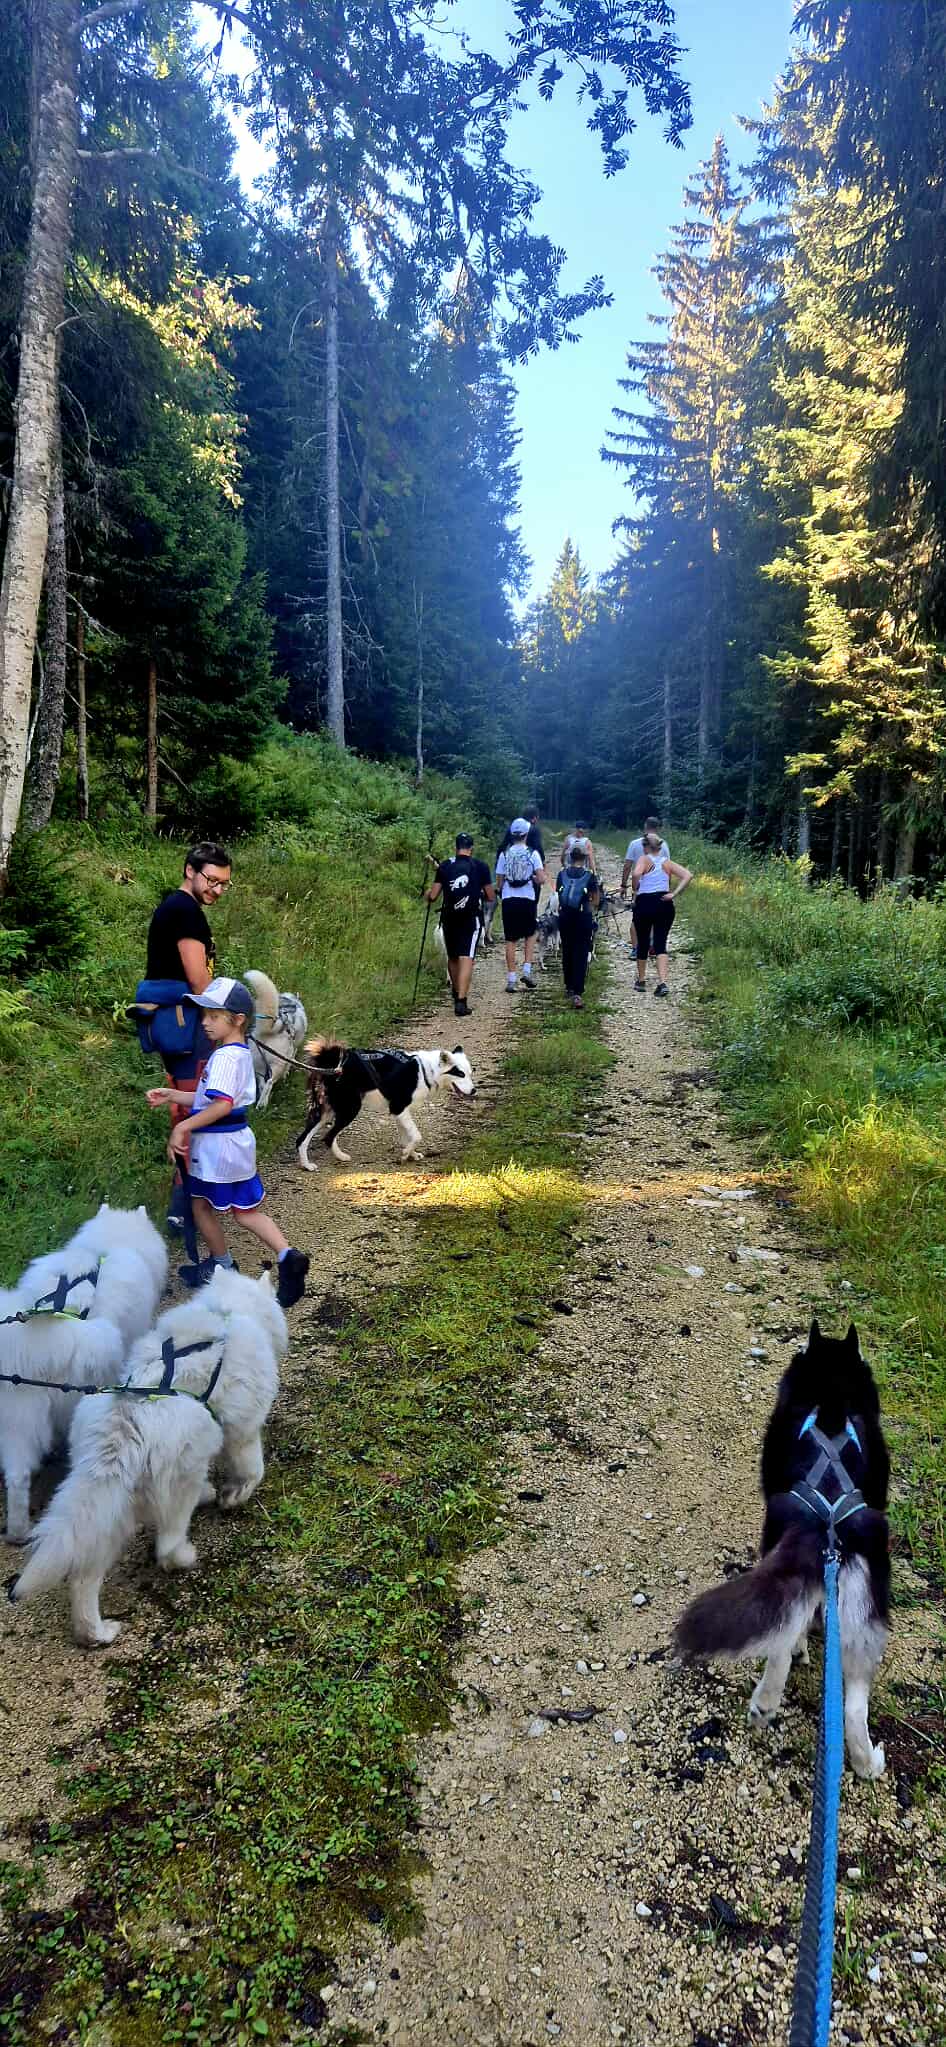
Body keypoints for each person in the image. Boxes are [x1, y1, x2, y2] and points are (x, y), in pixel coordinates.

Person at [147, 978, 310, 1308]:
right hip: (236, 1144)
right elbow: (212, 1099)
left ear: (237, 1020)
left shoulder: (223, 1057)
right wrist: (174, 1095)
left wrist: (182, 1128)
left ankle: (221, 1266)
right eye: (204, 1015)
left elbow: (220, 1106)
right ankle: (288, 1256)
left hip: (217, 1149)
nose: (204, 1023)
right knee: (245, 1212)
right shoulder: (237, 1053)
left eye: (213, 1016)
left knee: (200, 1206)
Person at [145, 842, 232, 1233]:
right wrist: (229, 1017)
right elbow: (199, 981)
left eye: (224, 884)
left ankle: (189, 1205)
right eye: (211, 880)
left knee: (189, 1106)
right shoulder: (185, 912)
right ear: (190, 871)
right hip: (187, 1024)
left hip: (174, 1024)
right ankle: (186, 1209)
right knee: (197, 1108)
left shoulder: (177, 907)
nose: (217, 889)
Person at [426, 833, 496, 1017]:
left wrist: (427, 894)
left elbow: (433, 896)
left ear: (456, 847)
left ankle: (456, 992)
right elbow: (490, 896)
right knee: (467, 957)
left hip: (449, 917)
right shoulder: (480, 866)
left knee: (453, 956)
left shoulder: (445, 865)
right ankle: (461, 1002)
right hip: (470, 918)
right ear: (471, 848)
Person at [631, 831, 692, 997]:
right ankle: (662, 982)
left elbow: (636, 873)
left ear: (646, 847)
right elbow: (688, 875)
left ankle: (641, 980)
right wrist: (674, 893)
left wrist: (635, 886)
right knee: (660, 942)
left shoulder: (644, 859)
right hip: (664, 903)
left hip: (645, 902)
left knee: (643, 941)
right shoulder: (667, 862)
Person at [496, 818, 549, 993]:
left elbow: (499, 882)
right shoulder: (533, 853)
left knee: (510, 939)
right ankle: (526, 970)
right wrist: (532, 877)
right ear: (526, 834)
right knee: (530, 934)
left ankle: (511, 979)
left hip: (509, 899)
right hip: (527, 898)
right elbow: (541, 879)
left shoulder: (504, 854)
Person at [555, 839, 602, 1009]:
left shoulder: (562, 874)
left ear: (570, 856)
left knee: (567, 950)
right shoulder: (589, 876)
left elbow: (558, 894)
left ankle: (568, 986)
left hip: (565, 916)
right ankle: (577, 992)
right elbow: (596, 901)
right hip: (583, 917)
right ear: (585, 857)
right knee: (581, 952)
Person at [621, 816, 669, 897]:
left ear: (645, 826)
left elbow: (627, 866)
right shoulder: (664, 845)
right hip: (659, 887)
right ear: (658, 828)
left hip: (640, 886)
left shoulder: (634, 844)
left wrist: (623, 885)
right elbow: (667, 869)